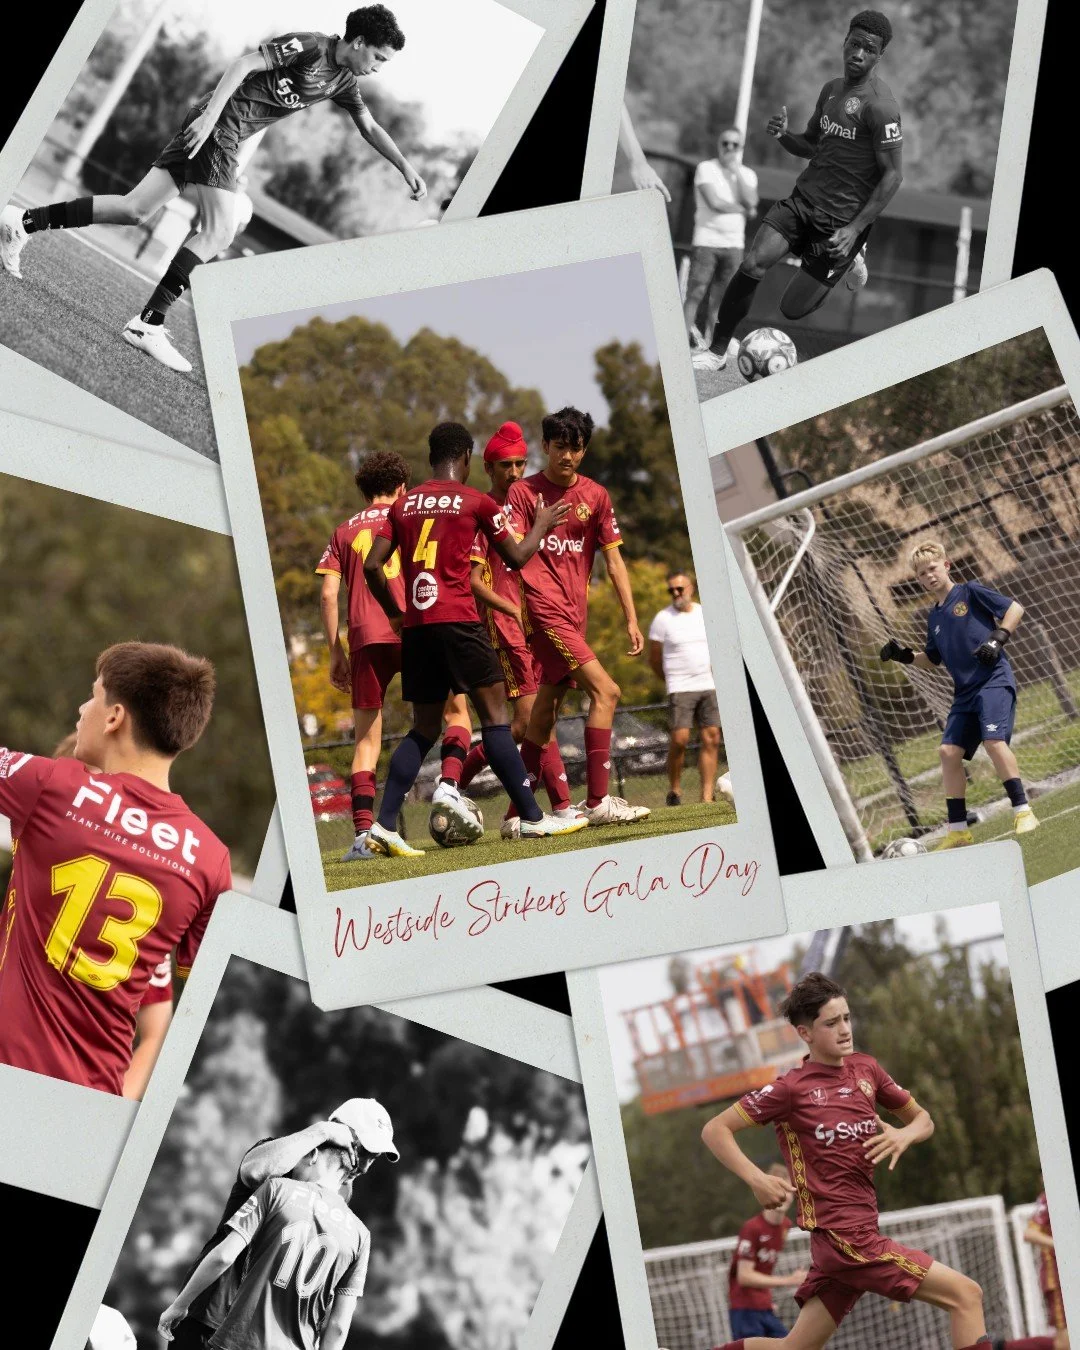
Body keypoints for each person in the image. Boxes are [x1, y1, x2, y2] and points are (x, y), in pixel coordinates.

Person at [1, 6, 426, 373]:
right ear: (357, 41)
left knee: (134, 210)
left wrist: (406, 167)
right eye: (378, 57)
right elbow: (243, 65)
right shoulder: (309, 44)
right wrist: (208, 120)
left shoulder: (343, 82)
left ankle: (22, 222)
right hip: (218, 126)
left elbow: (369, 126)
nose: (378, 66)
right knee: (220, 229)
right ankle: (147, 323)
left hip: (222, 133)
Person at [701, 972, 991, 1350]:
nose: (844, 1030)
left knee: (793, 1348)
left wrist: (904, 1134)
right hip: (847, 1239)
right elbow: (714, 1129)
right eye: (831, 1023)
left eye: (847, 1019)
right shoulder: (790, 1089)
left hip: (844, 1242)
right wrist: (756, 1179)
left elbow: (924, 1120)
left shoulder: (867, 1069)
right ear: (805, 1033)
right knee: (966, 1295)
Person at [0, 642, 231, 1095]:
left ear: (114, 717)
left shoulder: (53, 787)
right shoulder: (211, 860)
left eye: (94, 694)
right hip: (95, 1105)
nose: (83, 707)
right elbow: (207, 1011)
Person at [361, 421, 589, 856]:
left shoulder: (403, 506)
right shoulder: (477, 501)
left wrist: (396, 613)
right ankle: (532, 819)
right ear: (466, 458)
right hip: (461, 623)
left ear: (431, 458)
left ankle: (384, 826)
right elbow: (518, 556)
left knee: (424, 728)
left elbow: (374, 566)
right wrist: (540, 524)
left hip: (418, 628)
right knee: (496, 720)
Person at [693, 10, 902, 375]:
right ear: (844, 43)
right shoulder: (831, 90)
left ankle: (852, 257)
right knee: (753, 263)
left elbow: (894, 177)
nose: (858, 54)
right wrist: (782, 135)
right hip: (802, 202)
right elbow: (810, 145)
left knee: (791, 309)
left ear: (879, 56)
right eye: (854, 44)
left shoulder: (881, 107)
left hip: (841, 223)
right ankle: (717, 351)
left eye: (868, 49)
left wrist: (853, 230)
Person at [507, 407, 651, 826]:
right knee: (607, 692)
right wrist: (540, 524)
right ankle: (599, 802)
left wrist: (631, 617)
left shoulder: (597, 496)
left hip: (574, 615)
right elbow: (514, 554)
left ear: (583, 450)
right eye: (559, 448)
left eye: (576, 448)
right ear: (545, 447)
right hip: (542, 609)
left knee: (546, 712)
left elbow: (615, 562)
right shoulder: (523, 494)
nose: (567, 456)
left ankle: (517, 815)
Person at [163, 1099, 397, 1350]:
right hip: (210, 1313)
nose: (364, 1164)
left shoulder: (341, 1194)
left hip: (255, 1332)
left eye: (372, 1156)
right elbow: (254, 1172)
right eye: (363, 1151)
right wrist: (322, 1131)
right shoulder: (280, 1155)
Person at [460, 422, 582, 837]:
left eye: (518, 464)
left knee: (523, 726)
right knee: (534, 718)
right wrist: (511, 609)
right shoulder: (481, 512)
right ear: (487, 467)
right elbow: (475, 581)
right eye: (504, 465)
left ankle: (460, 785)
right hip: (504, 627)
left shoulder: (531, 506)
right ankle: (559, 806)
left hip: (537, 623)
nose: (513, 473)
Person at [880, 540, 1038, 847]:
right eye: (922, 573)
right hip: (964, 693)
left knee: (993, 742)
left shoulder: (970, 592)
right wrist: (904, 656)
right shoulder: (934, 617)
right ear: (918, 579)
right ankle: (958, 830)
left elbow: (1015, 609)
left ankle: (1022, 810)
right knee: (947, 753)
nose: (929, 576)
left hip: (993, 679)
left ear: (946, 565)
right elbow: (933, 659)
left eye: (933, 568)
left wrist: (997, 640)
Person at [647, 571, 722, 806]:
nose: (676, 594)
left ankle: (707, 795)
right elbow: (655, 659)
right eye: (671, 590)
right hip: (680, 687)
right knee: (680, 739)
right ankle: (675, 789)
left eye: (680, 588)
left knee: (711, 738)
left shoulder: (704, 613)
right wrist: (669, 680)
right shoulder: (662, 619)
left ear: (691, 588)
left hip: (708, 685)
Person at [684, 130, 759, 351]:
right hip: (706, 241)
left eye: (734, 145)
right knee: (696, 293)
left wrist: (735, 172)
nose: (729, 148)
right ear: (718, 144)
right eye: (725, 143)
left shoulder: (747, 174)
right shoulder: (705, 168)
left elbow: (753, 200)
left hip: (734, 245)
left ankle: (713, 344)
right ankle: (678, 343)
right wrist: (743, 210)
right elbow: (714, 202)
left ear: (740, 148)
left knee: (722, 299)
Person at [728, 1162, 807, 1339]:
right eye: (777, 1189)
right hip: (745, 1310)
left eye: (787, 1190)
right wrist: (790, 1280)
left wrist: (766, 1300)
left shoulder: (785, 1226)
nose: (783, 1196)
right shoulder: (752, 1228)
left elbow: (764, 1270)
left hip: (763, 1307)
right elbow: (745, 1276)